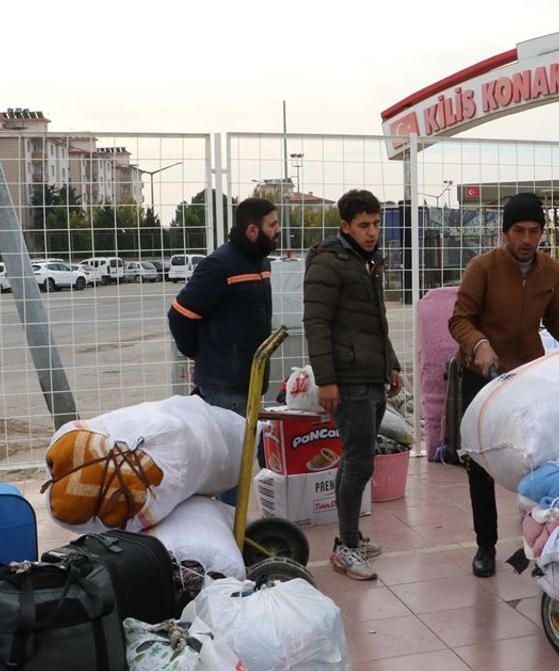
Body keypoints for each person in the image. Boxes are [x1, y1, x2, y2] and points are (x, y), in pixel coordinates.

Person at [448, 192, 559, 577]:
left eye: (535, 231)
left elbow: (557, 319)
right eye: (519, 231)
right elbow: (459, 320)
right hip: (482, 377)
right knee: (481, 464)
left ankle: (538, 542)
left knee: (536, 460)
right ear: (505, 232)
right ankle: (485, 546)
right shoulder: (483, 268)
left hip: (527, 378)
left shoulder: (551, 270)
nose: (527, 239)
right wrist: (479, 344)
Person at [303, 189, 402, 581]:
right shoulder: (329, 264)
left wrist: (391, 363)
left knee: (355, 461)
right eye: (363, 225)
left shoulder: (367, 261)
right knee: (359, 463)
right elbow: (316, 326)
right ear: (345, 226)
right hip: (348, 381)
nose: (372, 232)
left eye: (376, 224)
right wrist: (326, 381)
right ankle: (345, 548)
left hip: (370, 376)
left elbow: (375, 321)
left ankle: (350, 537)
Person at [168, 196, 280, 415]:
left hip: (251, 381)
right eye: (272, 224)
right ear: (252, 230)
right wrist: (198, 353)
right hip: (224, 388)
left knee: (247, 447)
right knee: (231, 449)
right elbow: (179, 314)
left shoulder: (261, 262)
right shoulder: (219, 265)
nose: (279, 229)